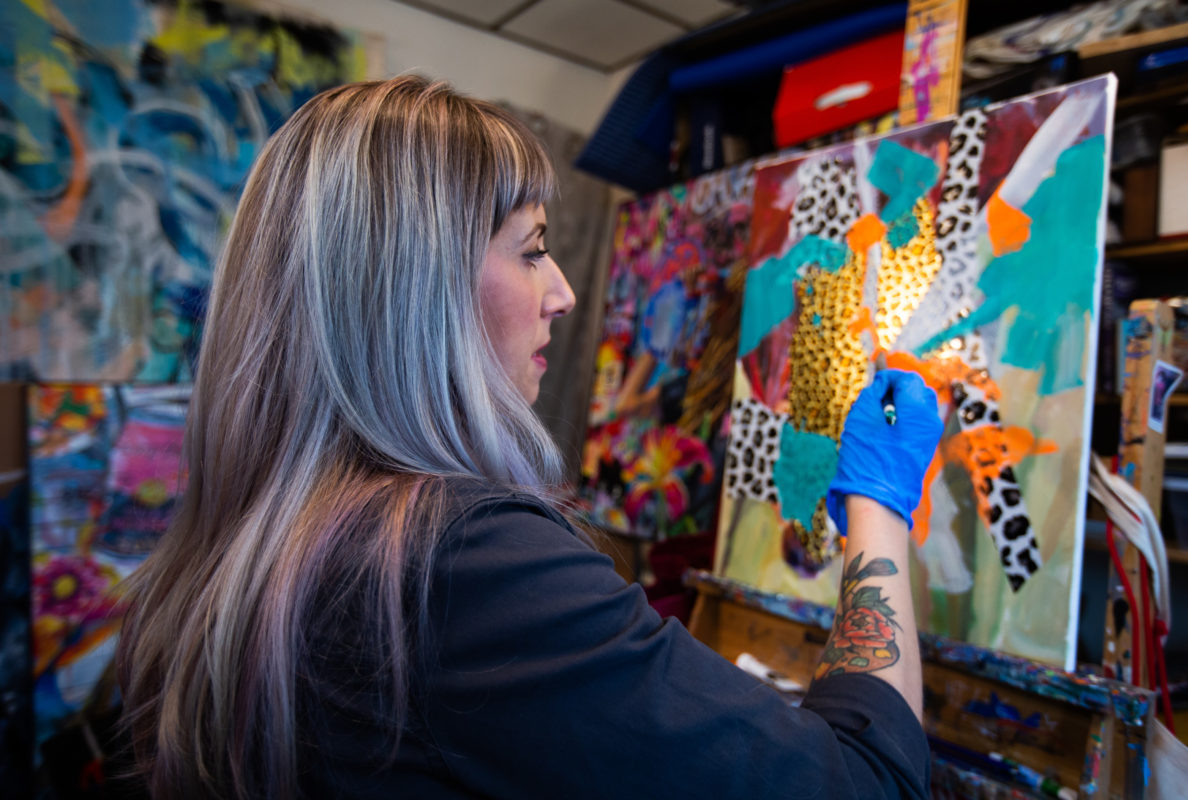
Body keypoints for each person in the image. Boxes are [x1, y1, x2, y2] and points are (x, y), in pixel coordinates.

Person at [116, 74, 944, 800]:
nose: (563, 294)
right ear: (417, 291)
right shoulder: (460, 561)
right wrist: (876, 508)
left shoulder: (267, 533)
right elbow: (865, 780)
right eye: (531, 250)